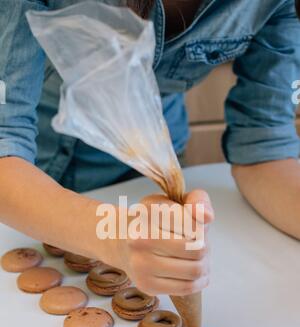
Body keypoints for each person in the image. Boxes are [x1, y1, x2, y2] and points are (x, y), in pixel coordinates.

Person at [0, 0, 299, 296]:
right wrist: (113, 235)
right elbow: (5, 135)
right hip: (28, 182)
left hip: (151, 173)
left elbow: (264, 144)